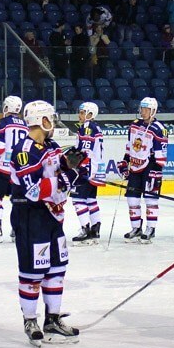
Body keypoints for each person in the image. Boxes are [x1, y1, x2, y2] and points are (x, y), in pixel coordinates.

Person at [9, 100, 82, 346]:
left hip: (53, 216)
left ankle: (52, 320)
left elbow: (58, 169)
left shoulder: (51, 145)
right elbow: (33, 190)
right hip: (31, 216)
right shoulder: (24, 150)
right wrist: (66, 178)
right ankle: (30, 320)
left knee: (56, 269)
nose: (53, 123)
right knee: (32, 272)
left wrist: (68, 164)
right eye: (50, 118)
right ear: (42, 120)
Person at [118, 97, 168, 243]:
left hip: (150, 167)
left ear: (153, 111)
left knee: (150, 199)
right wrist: (125, 161)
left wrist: (156, 170)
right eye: (142, 108)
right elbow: (130, 146)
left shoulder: (159, 129)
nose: (143, 112)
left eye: (146, 109)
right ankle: (136, 228)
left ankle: (150, 229)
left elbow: (161, 153)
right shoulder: (134, 125)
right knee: (132, 199)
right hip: (135, 167)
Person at [0, 96, 28, 243]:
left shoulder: (1, 122)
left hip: (3, 167)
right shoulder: (26, 124)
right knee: (17, 199)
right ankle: (17, 229)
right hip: (19, 168)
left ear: (6, 107)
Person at [70, 102, 106, 245]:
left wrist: (76, 166)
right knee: (90, 199)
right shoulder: (95, 127)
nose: (79, 115)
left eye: (82, 112)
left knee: (77, 199)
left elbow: (85, 152)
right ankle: (95, 230)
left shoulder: (87, 128)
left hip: (86, 170)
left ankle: (85, 230)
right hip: (95, 169)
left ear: (90, 114)